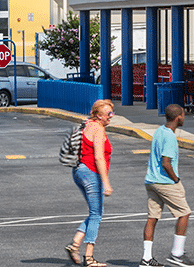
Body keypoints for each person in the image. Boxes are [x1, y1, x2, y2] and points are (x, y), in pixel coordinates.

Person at [140, 104, 194, 267]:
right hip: (165, 182)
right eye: (183, 115)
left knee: (152, 217)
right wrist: (176, 180)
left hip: (151, 181)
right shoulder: (170, 137)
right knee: (184, 213)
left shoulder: (159, 131)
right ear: (178, 117)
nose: (184, 118)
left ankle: (146, 258)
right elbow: (166, 163)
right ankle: (177, 254)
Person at [65, 100, 114, 267]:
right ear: (99, 115)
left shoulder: (88, 123)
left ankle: (75, 244)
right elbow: (99, 157)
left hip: (79, 171)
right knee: (96, 214)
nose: (111, 116)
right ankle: (89, 257)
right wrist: (106, 183)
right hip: (91, 173)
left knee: (96, 212)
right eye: (108, 114)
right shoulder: (98, 129)